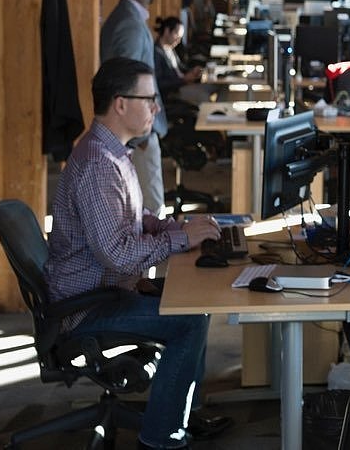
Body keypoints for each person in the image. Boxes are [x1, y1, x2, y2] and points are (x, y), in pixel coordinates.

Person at [45, 58, 232, 449]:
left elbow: (136, 218)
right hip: (87, 306)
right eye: (149, 99)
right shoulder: (98, 162)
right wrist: (180, 241)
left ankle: (180, 414)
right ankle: (161, 438)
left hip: (108, 289)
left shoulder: (112, 151)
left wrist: (180, 229)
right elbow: (118, 254)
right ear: (120, 104)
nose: (156, 108)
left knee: (195, 301)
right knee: (189, 321)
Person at [101, 0, 168, 217]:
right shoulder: (129, 25)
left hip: (136, 132)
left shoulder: (123, 18)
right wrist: (140, 135)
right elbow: (124, 83)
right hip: (137, 135)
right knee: (153, 213)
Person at [152, 16, 210, 104]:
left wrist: (192, 71)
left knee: (214, 87)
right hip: (172, 93)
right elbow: (159, 83)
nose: (179, 41)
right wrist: (183, 80)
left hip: (182, 85)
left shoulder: (170, 48)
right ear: (167, 31)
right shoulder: (156, 53)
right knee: (204, 96)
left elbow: (179, 67)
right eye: (177, 36)